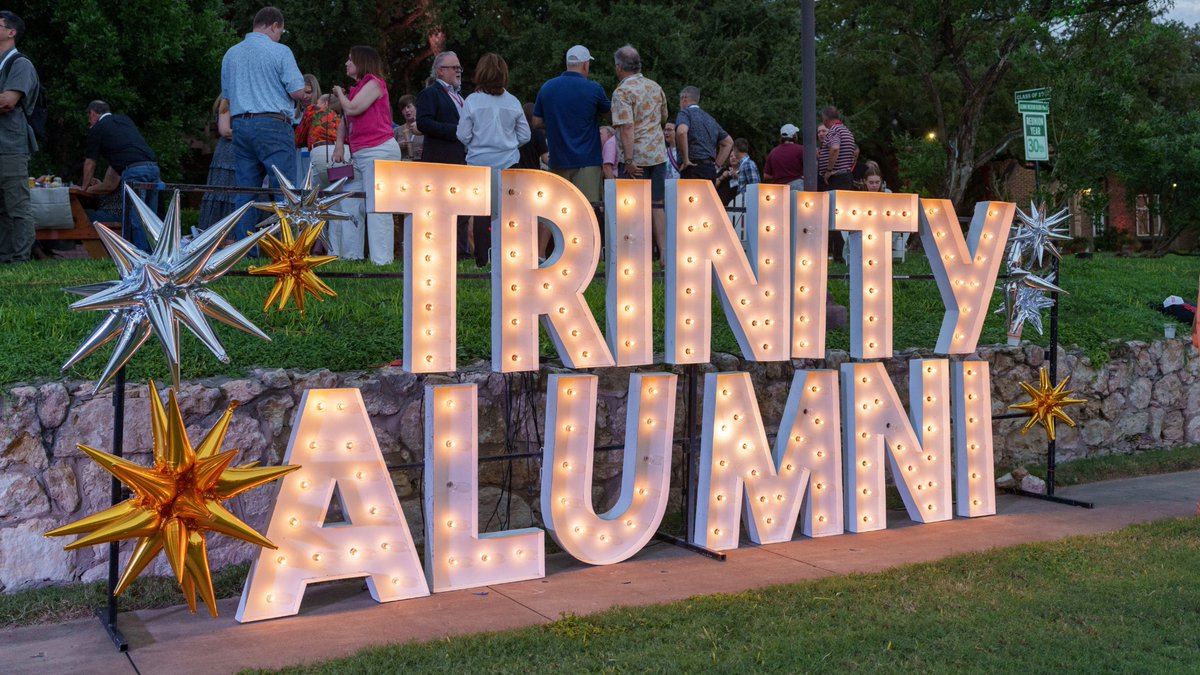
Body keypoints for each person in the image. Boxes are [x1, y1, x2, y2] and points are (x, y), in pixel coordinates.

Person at [220, 6, 307, 241]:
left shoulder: (231, 54)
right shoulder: (280, 51)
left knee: (246, 190)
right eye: (281, 31)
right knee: (284, 190)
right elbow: (297, 90)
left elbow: (227, 95)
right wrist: (303, 94)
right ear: (274, 25)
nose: (280, 36)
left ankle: (246, 249)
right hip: (273, 124)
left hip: (240, 125)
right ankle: (287, 249)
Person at [457, 53, 529, 267]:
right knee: (510, 212)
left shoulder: (472, 101)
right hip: (508, 163)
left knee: (482, 213)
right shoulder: (513, 101)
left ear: (480, 73)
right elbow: (525, 135)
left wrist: (477, 142)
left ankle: (483, 258)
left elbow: (462, 135)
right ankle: (510, 257)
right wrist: (508, 144)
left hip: (479, 163)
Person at [333, 45, 402, 265]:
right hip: (359, 153)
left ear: (361, 62)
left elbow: (352, 109)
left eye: (350, 59)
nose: (346, 63)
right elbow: (346, 119)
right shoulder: (357, 89)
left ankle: (381, 260)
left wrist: (340, 94)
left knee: (377, 206)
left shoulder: (374, 83)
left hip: (378, 149)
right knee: (350, 202)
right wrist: (339, 145)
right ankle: (351, 255)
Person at [533, 45, 611, 205]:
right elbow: (612, 116)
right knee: (587, 210)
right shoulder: (594, 89)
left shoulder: (547, 87)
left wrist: (557, 123)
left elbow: (536, 122)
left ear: (567, 63)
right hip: (587, 163)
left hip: (557, 161)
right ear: (585, 65)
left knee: (557, 210)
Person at [611, 44, 668, 256]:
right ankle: (663, 253)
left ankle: (634, 254)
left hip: (635, 159)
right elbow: (664, 117)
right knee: (657, 204)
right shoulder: (655, 87)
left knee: (632, 207)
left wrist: (628, 160)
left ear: (619, 67)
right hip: (658, 155)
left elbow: (627, 127)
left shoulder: (622, 92)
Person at [80, 100, 160, 252]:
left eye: (88, 116)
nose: (89, 121)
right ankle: (155, 256)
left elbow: (90, 163)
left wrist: (83, 189)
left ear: (93, 114)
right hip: (153, 169)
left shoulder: (98, 128)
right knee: (150, 219)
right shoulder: (125, 122)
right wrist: (95, 186)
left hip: (135, 173)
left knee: (136, 219)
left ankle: (141, 259)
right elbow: (110, 184)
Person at [416, 51, 471, 258]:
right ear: (440, 71)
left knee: (461, 207)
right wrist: (457, 131)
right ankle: (438, 251)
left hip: (461, 159)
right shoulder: (430, 94)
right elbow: (424, 123)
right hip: (440, 159)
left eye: (459, 68)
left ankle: (461, 251)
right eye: (454, 67)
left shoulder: (460, 97)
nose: (458, 71)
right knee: (439, 208)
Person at [0, 10, 38, 264]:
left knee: (16, 206)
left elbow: (7, 101)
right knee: (2, 208)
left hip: (11, 146)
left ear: (11, 32)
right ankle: (5, 258)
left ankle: (20, 259)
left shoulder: (21, 64)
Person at [674, 85, 730, 182]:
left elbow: (682, 132)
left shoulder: (685, 113)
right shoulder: (710, 119)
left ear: (684, 98)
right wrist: (717, 165)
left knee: (691, 192)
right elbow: (728, 142)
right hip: (710, 169)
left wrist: (686, 160)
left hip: (692, 167)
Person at [198, 96, 238, 231]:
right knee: (226, 192)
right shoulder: (227, 100)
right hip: (230, 152)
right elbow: (225, 131)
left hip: (233, 150)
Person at [817, 106, 857, 191]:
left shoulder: (834, 130)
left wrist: (828, 170)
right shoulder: (846, 131)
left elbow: (835, 148)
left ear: (825, 119)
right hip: (845, 175)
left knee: (834, 200)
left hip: (837, 178)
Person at [763, 123, 805, 189]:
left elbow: (766, 175)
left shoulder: (773, 152)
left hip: (778, 188)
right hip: (797, 185)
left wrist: (780, 175)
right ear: (794, 136)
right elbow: (810, 169)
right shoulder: (801, 149)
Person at [517, 102, 547, 170]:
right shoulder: (538, 134)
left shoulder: (515, 132)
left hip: (516, 171)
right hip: (533, 172)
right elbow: (545, 158)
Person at [394, 94, 423, 161]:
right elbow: (390, 150)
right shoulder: (397, 131)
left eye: (409, 106)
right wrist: (398, 146)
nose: (406, 110)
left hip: (422, 164)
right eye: (403, 108)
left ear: (416, 107)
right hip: (403, 164)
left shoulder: (424, 129)